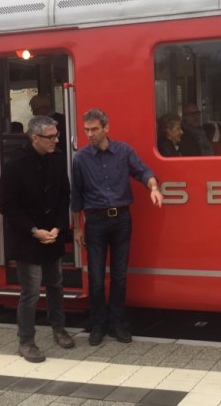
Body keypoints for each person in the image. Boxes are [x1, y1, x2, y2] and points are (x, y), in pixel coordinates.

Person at [71, 108, 164, 346]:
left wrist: (153, 188)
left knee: (120, 276)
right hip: (95, 221)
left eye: (94, 129)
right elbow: (76, 195)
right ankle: (97, 325)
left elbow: (143, 171)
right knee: (96, 277)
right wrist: (77, 227)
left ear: (106, 128)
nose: (89, 134)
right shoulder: (80, 158)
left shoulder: (124, 151)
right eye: (86, 130)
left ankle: (117, 324)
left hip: (121, 219)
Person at [0, 115, 75, 363]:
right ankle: (26, 342)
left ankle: (59, 330)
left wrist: (58, 227)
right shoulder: (14, 165)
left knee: (56, 284)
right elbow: (7, 207)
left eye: (56, 136)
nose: (56, 140)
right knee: (31, 291)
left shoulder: (57, 158)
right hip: (27, 238)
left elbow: (64, 195)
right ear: (34, 138)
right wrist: (33, 230)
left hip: (52, 234)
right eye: (50, 137)